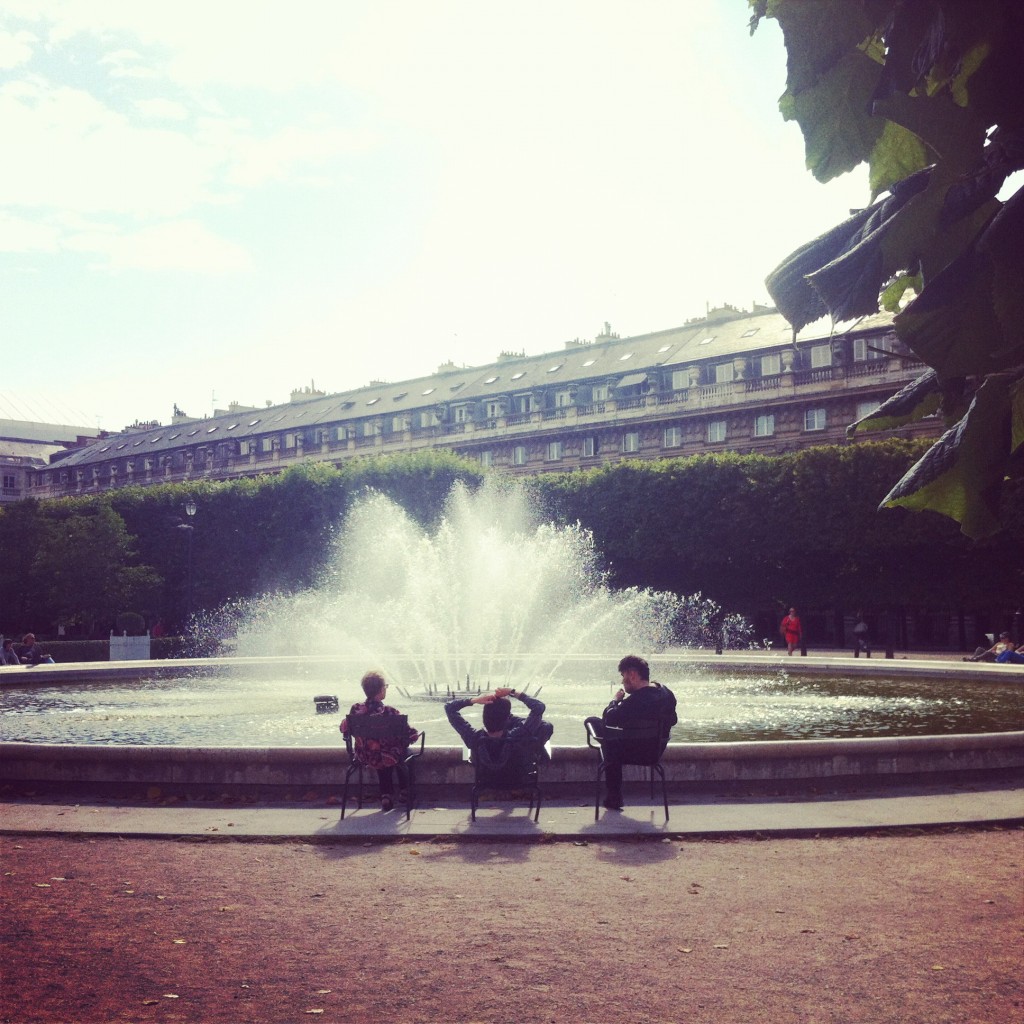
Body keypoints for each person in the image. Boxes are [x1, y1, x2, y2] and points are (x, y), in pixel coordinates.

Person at [585, 654, 677, 811]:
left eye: (623, 676)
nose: (622, 681)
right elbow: (673, 720)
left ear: (632, 675)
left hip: (635, 752)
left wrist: (615, 700)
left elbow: (609, 718)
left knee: (594, 725)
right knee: (611, 742)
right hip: (656, 751)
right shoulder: (666, 693)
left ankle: (614, 797)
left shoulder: (633, 702)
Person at [339, 670, 420, 812]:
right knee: (402, 755)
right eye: (386, 687)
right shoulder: (390, 712)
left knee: (381, 753)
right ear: (381, 690)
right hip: (388, 756)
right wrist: (414, 736)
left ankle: (386, 794)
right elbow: (411, 734)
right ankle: (405, 792)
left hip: (364, 756)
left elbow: (344, 729)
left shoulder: (355, 709)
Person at [445, 687, 551, 790]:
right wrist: (511, 691)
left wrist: (475, 700)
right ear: (507, 719)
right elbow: (539, 707)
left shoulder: (474, 737)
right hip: (517, 781)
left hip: (485, 783)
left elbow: (449, 708)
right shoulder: (518, 736)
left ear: (484, 717)